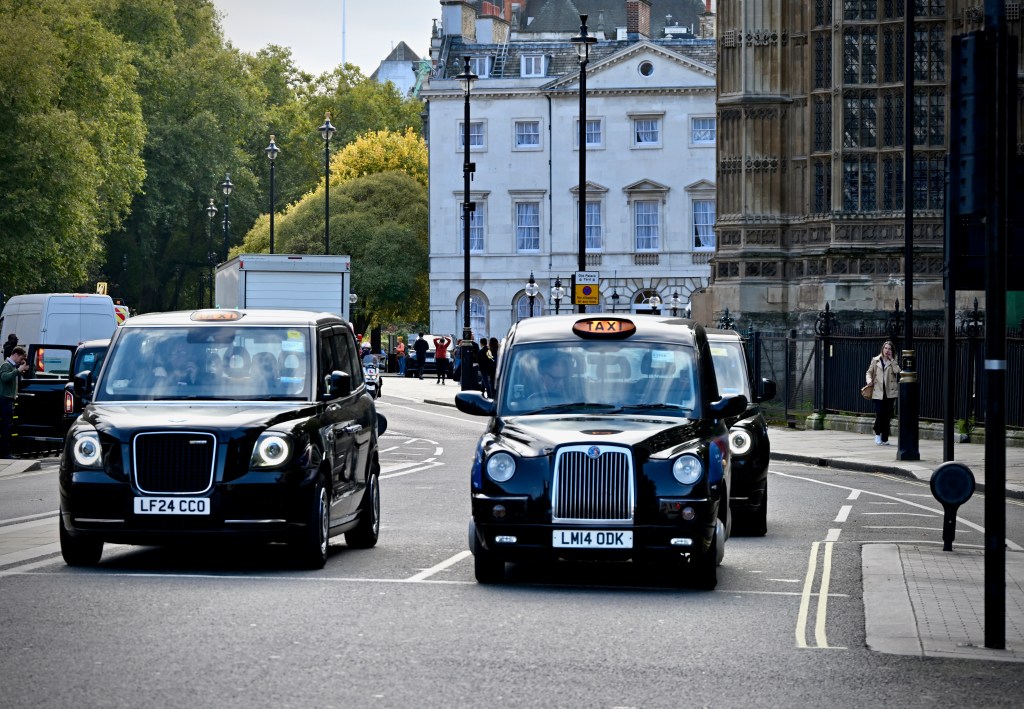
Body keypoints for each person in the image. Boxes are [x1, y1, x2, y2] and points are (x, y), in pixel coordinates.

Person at [865, 340, 901, 446]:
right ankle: (877, 434)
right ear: (882, 349)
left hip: (890, 392)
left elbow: (898, 371)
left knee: (887, 415)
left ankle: (884, 438)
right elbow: (869, 372)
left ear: (892, 350)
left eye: (889, 349)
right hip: (878, 392)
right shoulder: (875, 360)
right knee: (880, 413)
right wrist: (868, 380)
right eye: (885, 348)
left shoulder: (893, 361)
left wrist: (892, 360)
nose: (887, 350)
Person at [0, 346, 30, 458]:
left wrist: (19, 370)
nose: (20, 361)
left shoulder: (12, 367)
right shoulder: (6, 365)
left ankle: (5, 452)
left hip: (8, 399)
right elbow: (5, 377)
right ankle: (4, 453)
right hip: (4, 399)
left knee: (7, 426)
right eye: (20, 358)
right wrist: (18, 370)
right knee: (5, 427)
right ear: (15, 354)